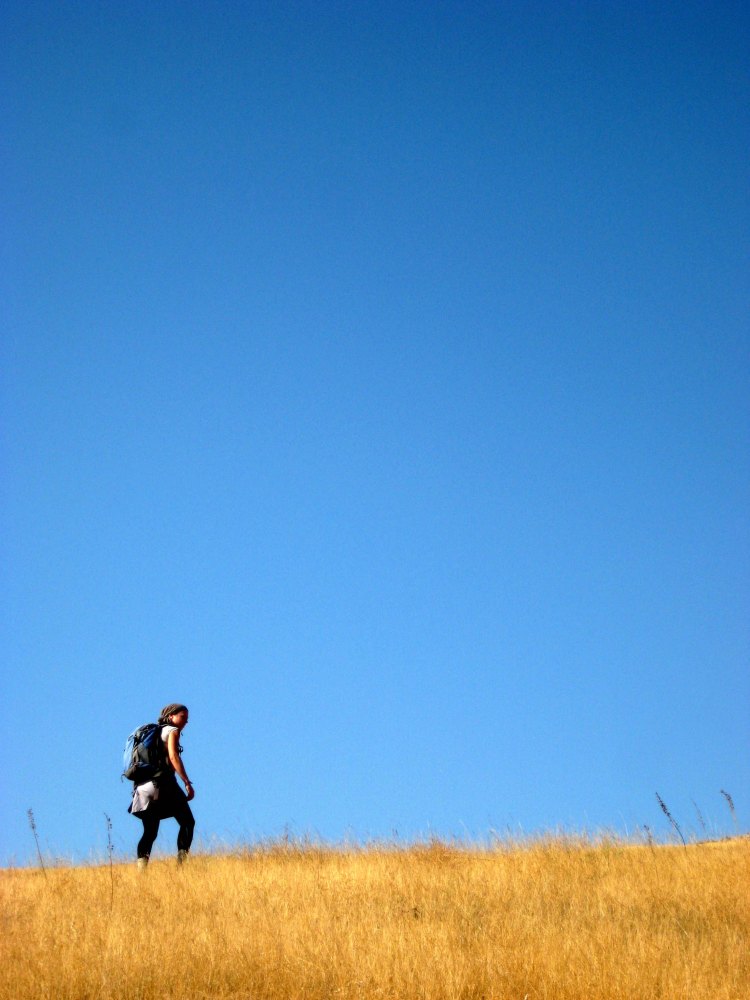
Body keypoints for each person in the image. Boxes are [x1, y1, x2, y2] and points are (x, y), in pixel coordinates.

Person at [129, 702, 195, 868]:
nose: (185, 721)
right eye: (182, 717)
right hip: (163, 784)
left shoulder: (153, 733)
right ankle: (181, 868)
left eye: (187, 719)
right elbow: (174, 757)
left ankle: (141, 872)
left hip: (143, 787)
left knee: (150, 832)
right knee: (187, 822)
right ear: (170, 716)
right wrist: (186, 782)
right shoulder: (172, 731)